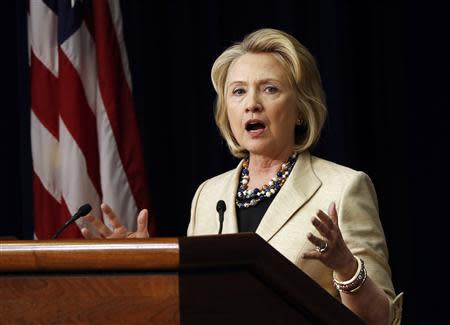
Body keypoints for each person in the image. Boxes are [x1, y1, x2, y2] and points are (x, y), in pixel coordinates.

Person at [81, 28, 403, 324]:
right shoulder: (208, 195)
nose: (252, 104)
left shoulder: (342, 188)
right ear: (227, 111)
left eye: (270, 89)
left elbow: (382, 319)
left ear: (302, 108)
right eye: (238, 92)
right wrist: (148, 268)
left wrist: (345, 265)